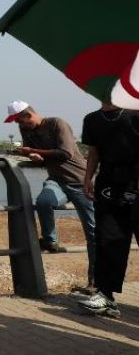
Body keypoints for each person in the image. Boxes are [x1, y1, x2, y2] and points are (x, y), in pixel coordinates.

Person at [6, 100, 95, 290]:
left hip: (80, 182)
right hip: (57, 181)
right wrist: (35, 158)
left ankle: (94, 282)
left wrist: (33, 151)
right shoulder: (26, 131)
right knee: (44, 202)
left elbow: (65, 153)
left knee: (93, 232)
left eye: (20, 121)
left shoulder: (57, 123)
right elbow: (42, 159)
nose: (19, 126)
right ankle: (50, 240)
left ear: (28, 115)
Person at [77, 103, 139, 318]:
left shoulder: (135, 115)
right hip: (108, 185)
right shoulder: (91, 119)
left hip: (136, 181)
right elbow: (93, 151)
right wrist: (88, 177)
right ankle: (105, 295)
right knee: (107, 239)